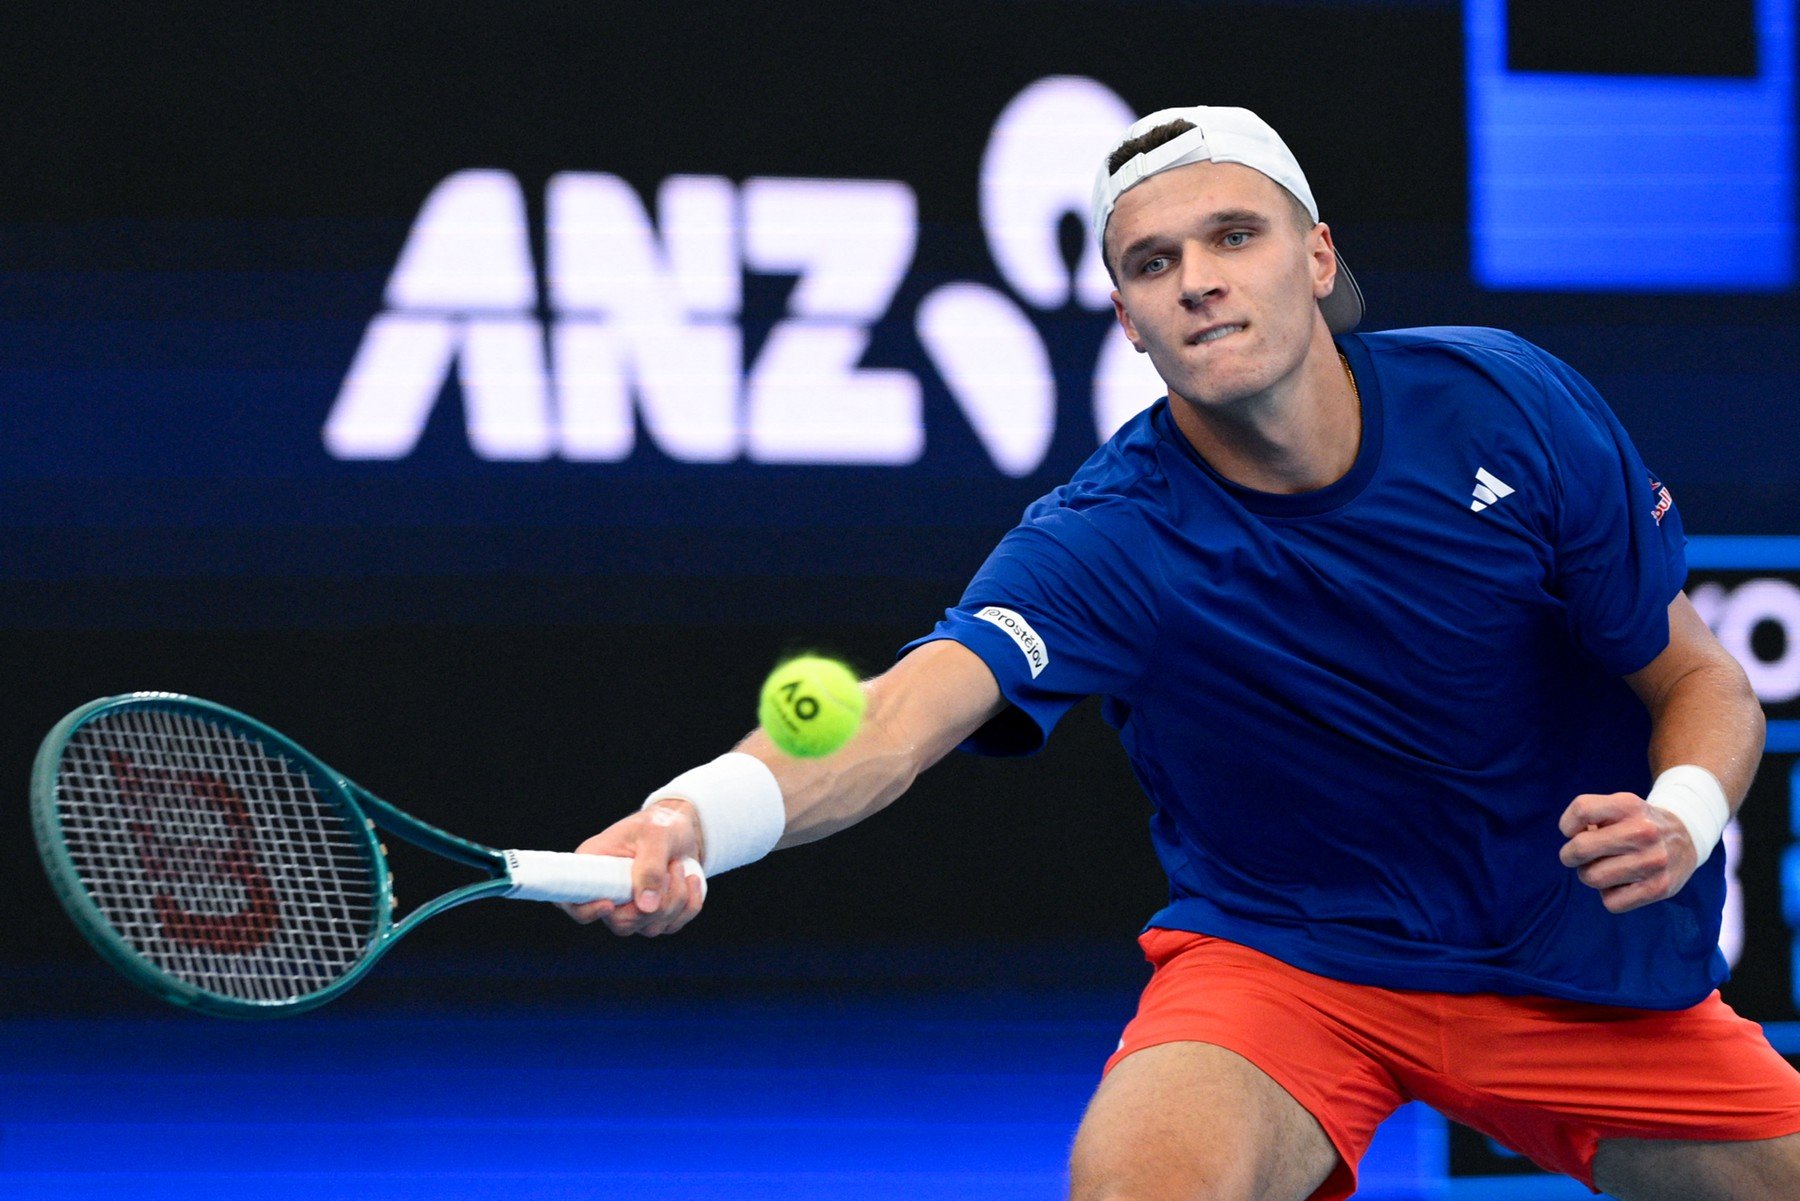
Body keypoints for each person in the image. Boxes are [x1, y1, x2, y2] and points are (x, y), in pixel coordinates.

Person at [564, 106, 1800, 1200]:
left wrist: (1682, 813)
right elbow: (892, 719)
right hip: (1294, 968)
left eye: (1234, 237)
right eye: (1153, 263)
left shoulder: (1509, 410)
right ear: (1130, 320)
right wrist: (689, 816)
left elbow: (1701, 681)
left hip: (1574, 972)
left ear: (1318, 258)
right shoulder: (1112, 536)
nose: (1198, 281)